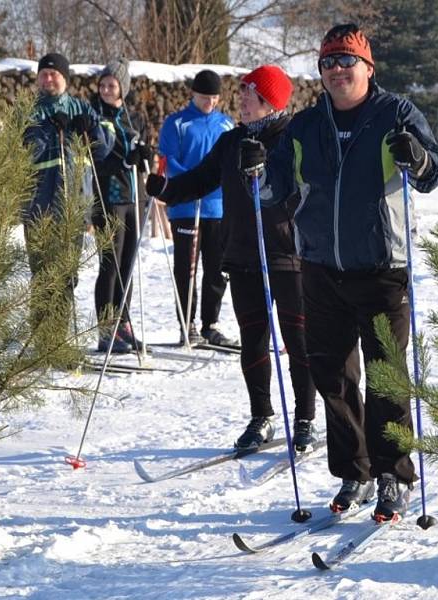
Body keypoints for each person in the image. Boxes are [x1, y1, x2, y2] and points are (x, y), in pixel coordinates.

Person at [239, 24, 438, 522]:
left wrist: (415, 157)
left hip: (382, 268)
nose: (336, 70)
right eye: (328, 62)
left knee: (386, 379)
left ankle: (392, 476)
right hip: (320, 268)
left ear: (367, 67)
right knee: (333, 376)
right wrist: (257, 171)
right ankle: (354, 470)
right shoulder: (307, 127)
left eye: (345, 61)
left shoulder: (396, 114)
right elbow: (274, 192)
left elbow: (433, 174)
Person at [146, 65, 317, 452]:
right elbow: (202, 178)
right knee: (253, 343)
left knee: (298, 341)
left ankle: (304, 418)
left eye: (249, 94)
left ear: (270, 101)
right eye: (240, 93)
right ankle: (262, 417)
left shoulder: (292, 139)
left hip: (287, 255)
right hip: (242, 255)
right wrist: (167, 189)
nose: (240, 99)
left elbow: (303, 186)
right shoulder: (230, 141)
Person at [22, 52, 113, 332]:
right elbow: (24, 149)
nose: (49, 79)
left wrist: (91, 128)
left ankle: (58, 338)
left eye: (55, 74)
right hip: (38, 206)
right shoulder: (29, 110)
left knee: (66, 275)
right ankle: (39, 339)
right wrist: (49, 130)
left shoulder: (80, 108)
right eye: (44, 74)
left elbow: (105, 146)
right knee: (41, 273)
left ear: (65, 79)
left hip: (72, 206)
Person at [157, 69, 235, 347]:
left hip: (218, 207)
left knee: (216, 268)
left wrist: (219, 184)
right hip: (187, 206)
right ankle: (186, 322)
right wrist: (194, 183)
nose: (210, 103)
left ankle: (210, 324)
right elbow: (167, 162)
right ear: (194, 94)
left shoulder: (226, 124)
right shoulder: (176, 123)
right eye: (205, 97)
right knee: (186, 268)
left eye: (214, 97)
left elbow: (231, 162)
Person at [91, 58, 153, 354]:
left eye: (111, 85)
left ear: (123, 89)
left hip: (133, 198)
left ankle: (123, 321)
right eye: (103, 84)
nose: (105, 89)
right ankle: (106, 328)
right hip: (108, 198)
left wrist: (144, 154)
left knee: (127, 265)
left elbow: (142, 153)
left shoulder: (134, 117)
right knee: (110, 264)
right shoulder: (95, 116)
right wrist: (122, 160)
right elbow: (97, 157)